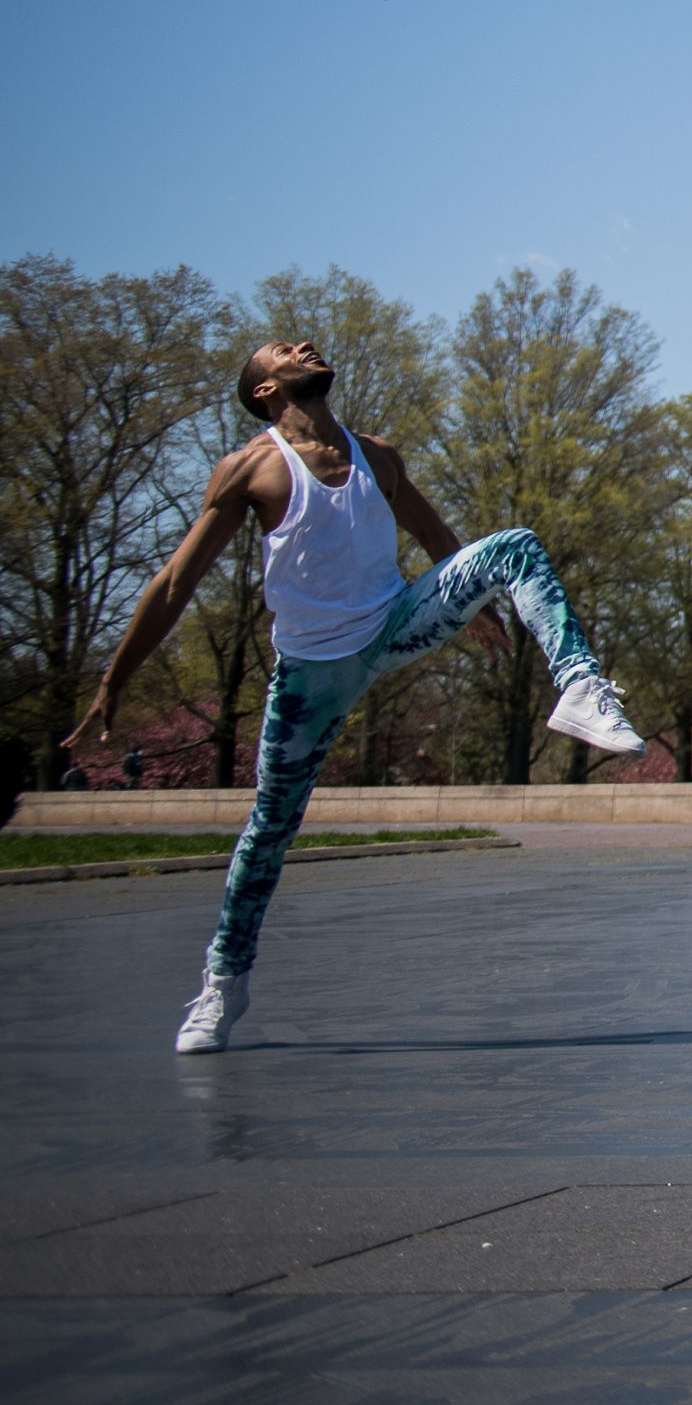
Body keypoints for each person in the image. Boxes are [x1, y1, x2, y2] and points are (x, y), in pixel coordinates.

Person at [70, 339, 644, 1054]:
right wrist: (111, 681)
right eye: (284, 350)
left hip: (392, 626)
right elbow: (174, 583)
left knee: (516, 547)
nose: (304, 347)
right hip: (311, 673)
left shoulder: (377, 455)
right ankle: (223, 982)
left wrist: (478, 604)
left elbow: (434, 531)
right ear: (265, 391)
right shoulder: (252, 467)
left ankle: (582, 687)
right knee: (268, 832)